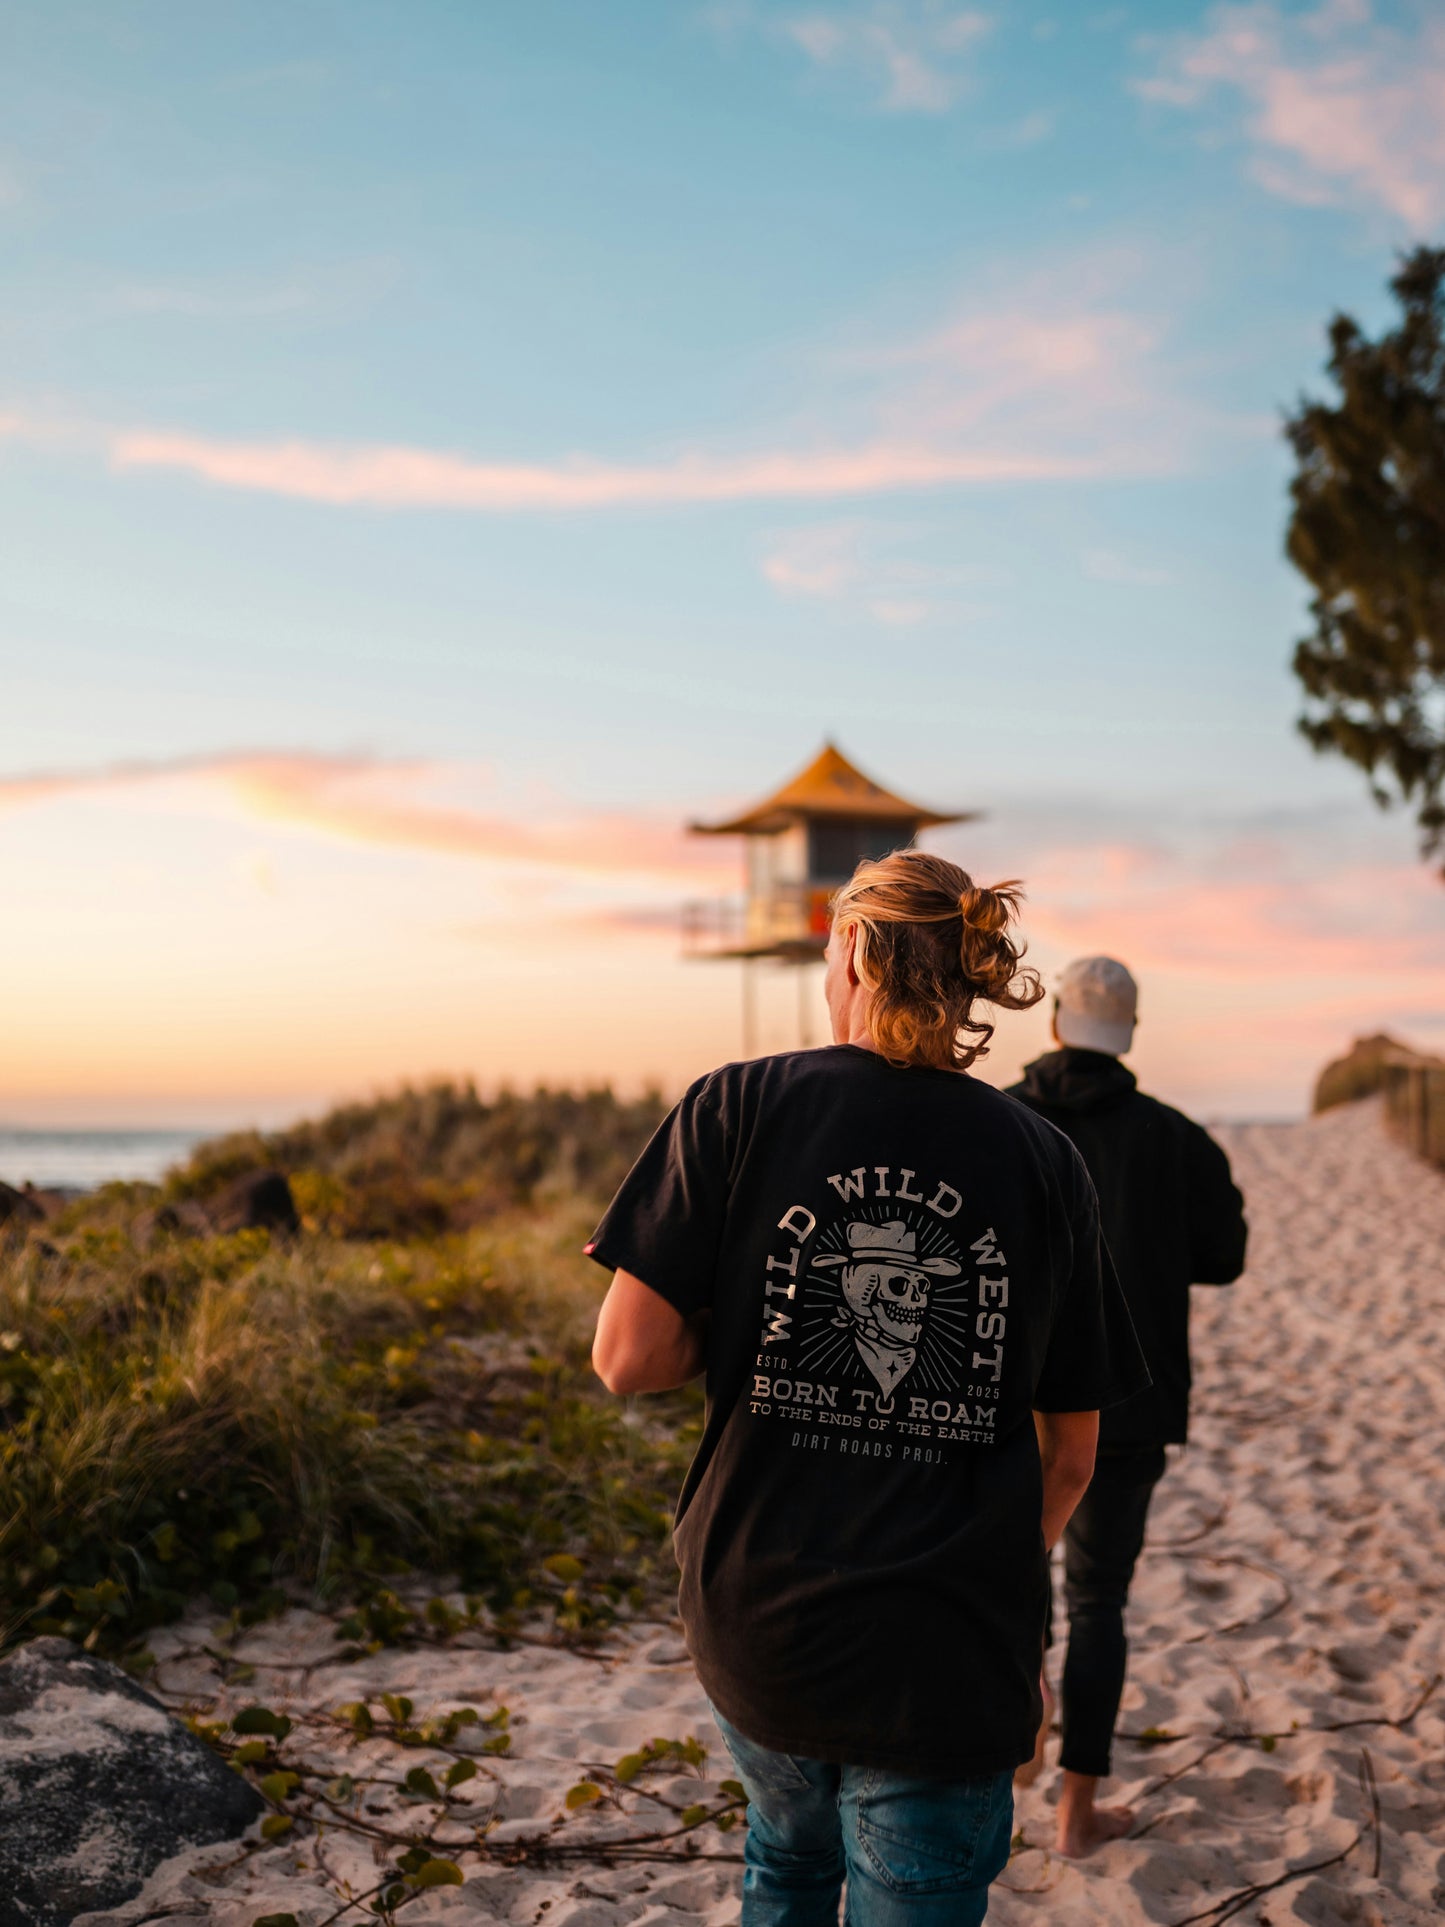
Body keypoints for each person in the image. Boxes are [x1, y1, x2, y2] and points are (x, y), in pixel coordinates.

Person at [587, 852, 1149, 1926]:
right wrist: (992, 1586)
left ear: (849, 947)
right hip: (942, 1652)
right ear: (964, 972)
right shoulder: (1042, 1161)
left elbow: (626, 1358)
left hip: (761, 1626)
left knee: (785, 1868)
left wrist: (743, 1316)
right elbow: (1071, 1453)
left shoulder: (734, 1104)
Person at [1008, 956, 1247, 1859]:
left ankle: (1019, 1716)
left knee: (1012, 1581)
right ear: (1130, 1032)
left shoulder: (1000, 1117)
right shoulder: (1175, 1138)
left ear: (1057, 1022)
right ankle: (1076, 1818)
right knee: (1099, 1597)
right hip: (1127, 1400)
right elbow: (1223, 1256)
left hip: (1007, 1404)